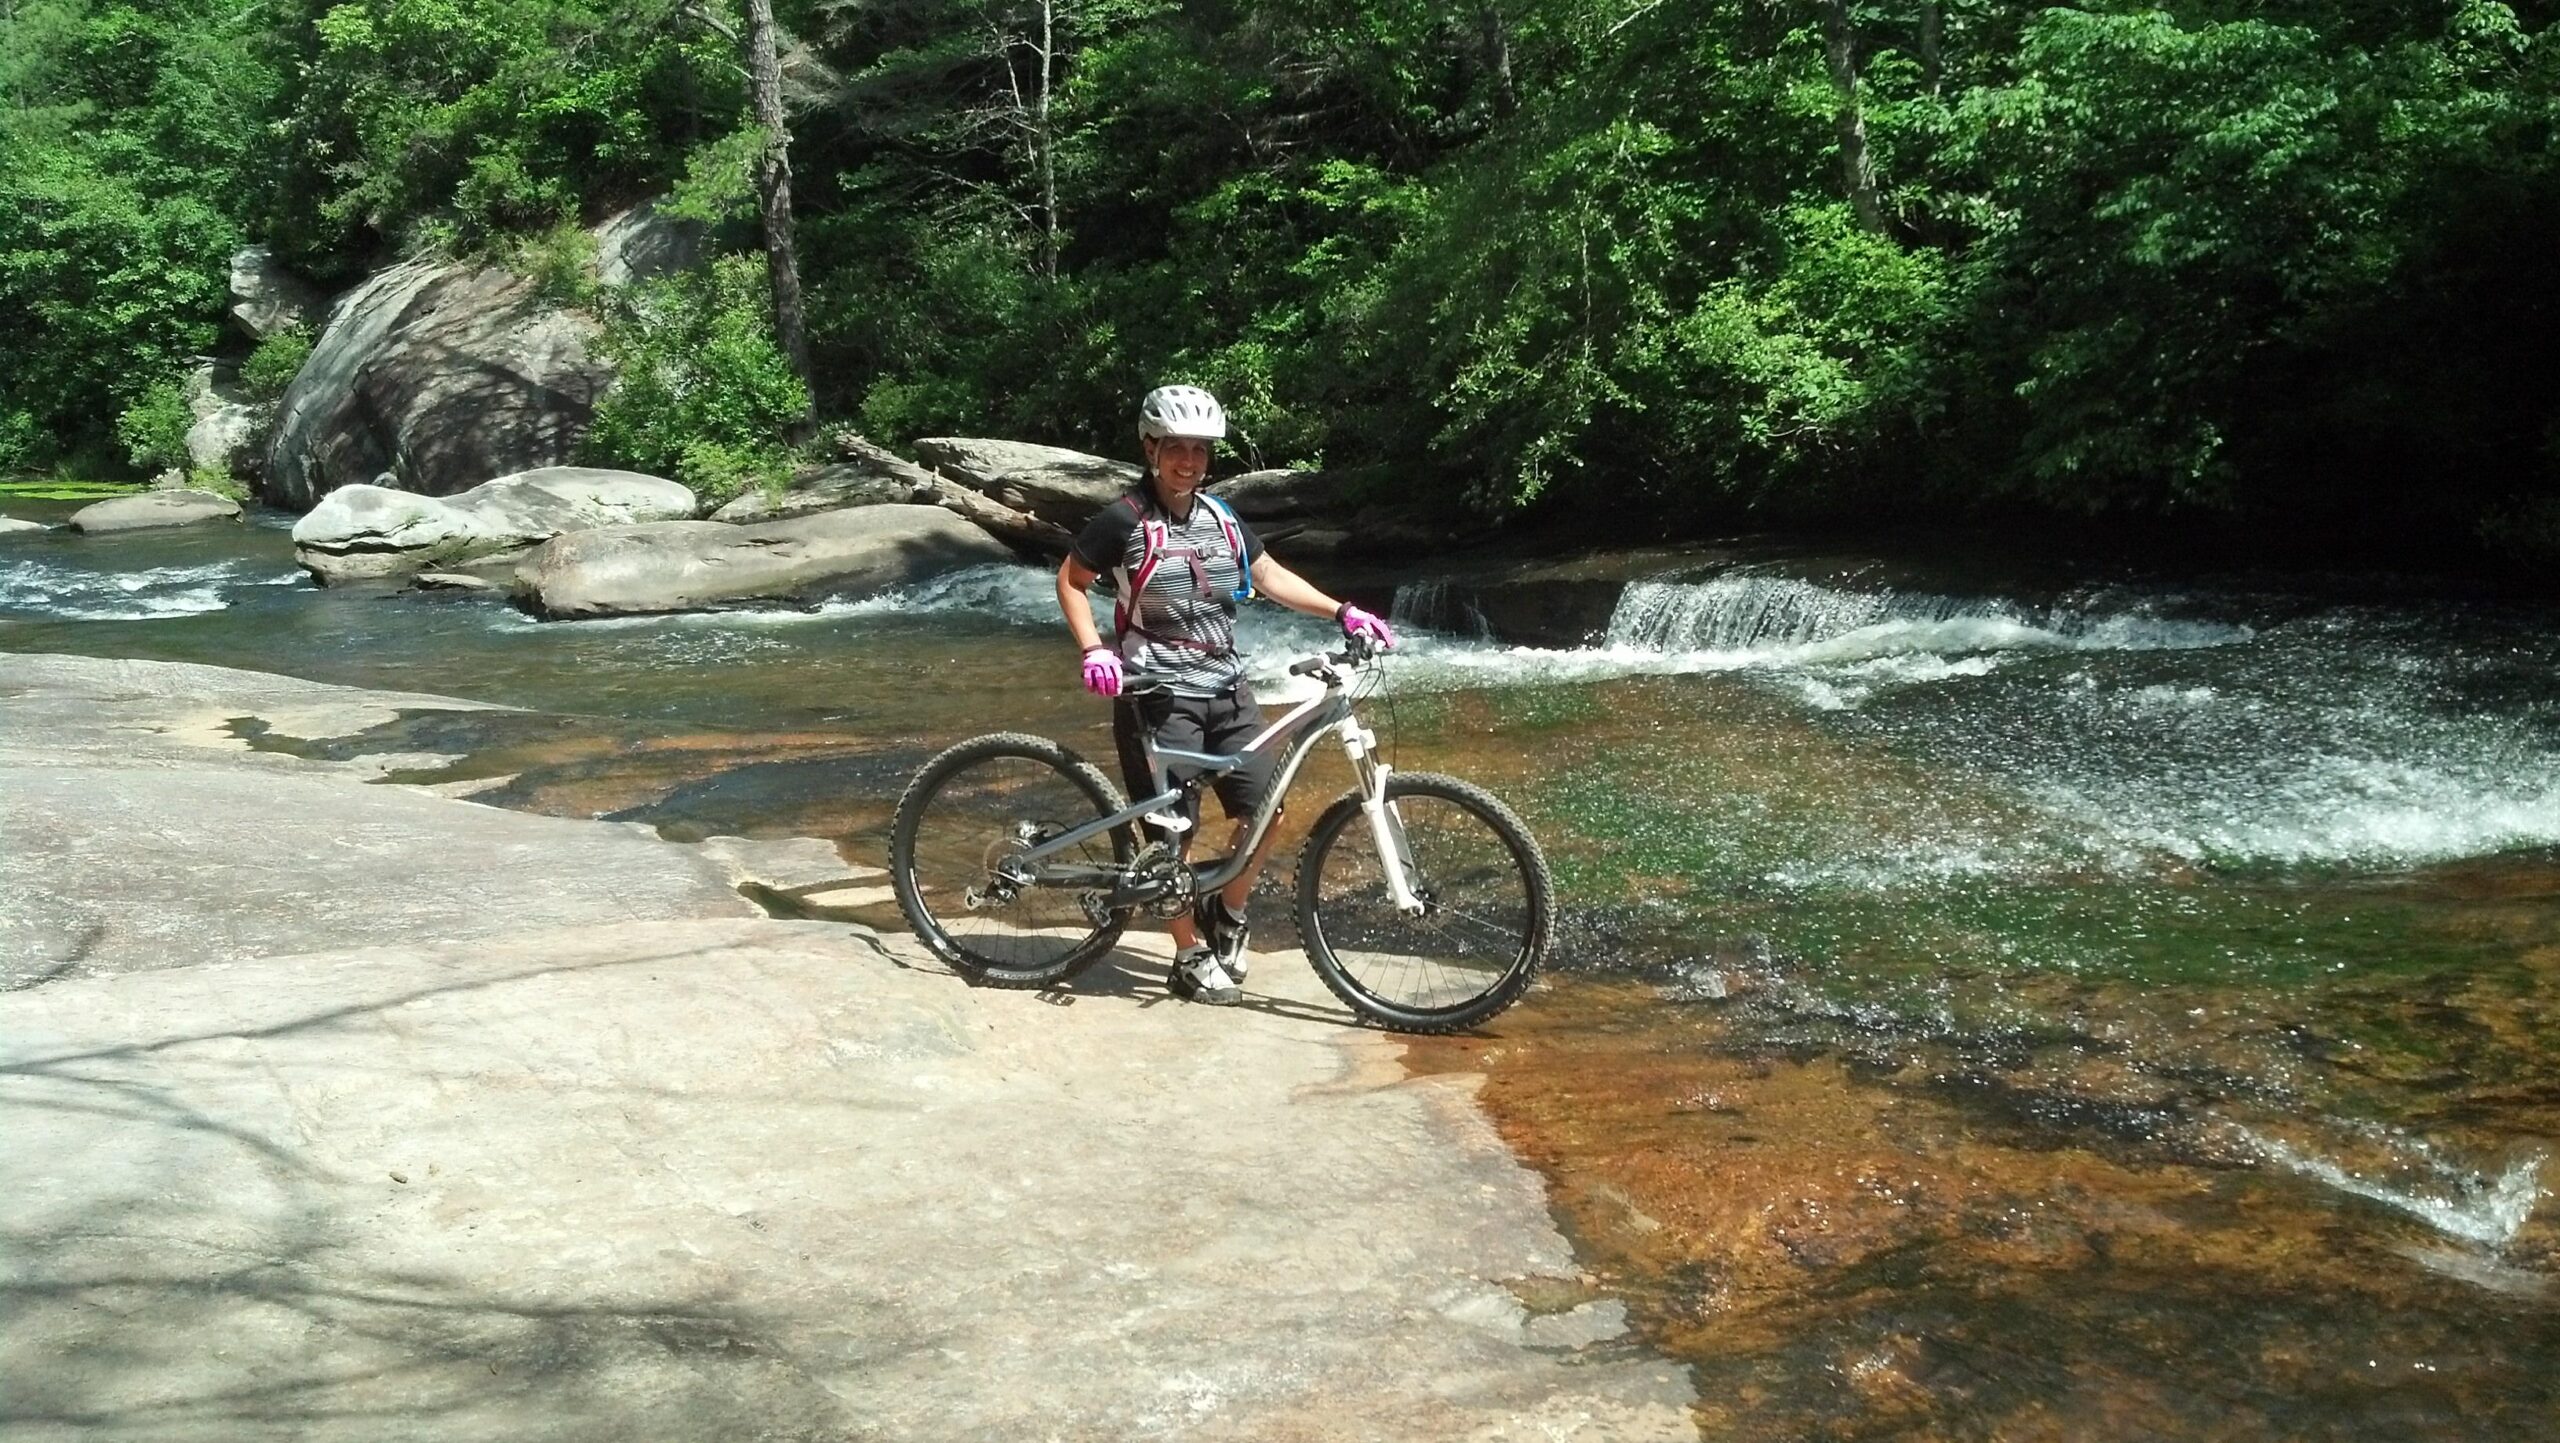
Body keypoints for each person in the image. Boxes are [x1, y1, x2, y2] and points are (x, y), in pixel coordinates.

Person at [1055, 384, 1396, 1005]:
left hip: (1226, 685)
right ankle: (1187, 956)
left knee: (1267, 811)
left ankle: (1225, 912)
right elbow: (1072, 580)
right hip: (1156, 695)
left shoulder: (1221, 517)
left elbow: (1266, 576)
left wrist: (1341, 610)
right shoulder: (1124, 519)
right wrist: (1094, 649)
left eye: (1200, 450)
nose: (1189, 461)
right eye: (1176, 449)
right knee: (1171, 836)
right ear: (1150, 448)